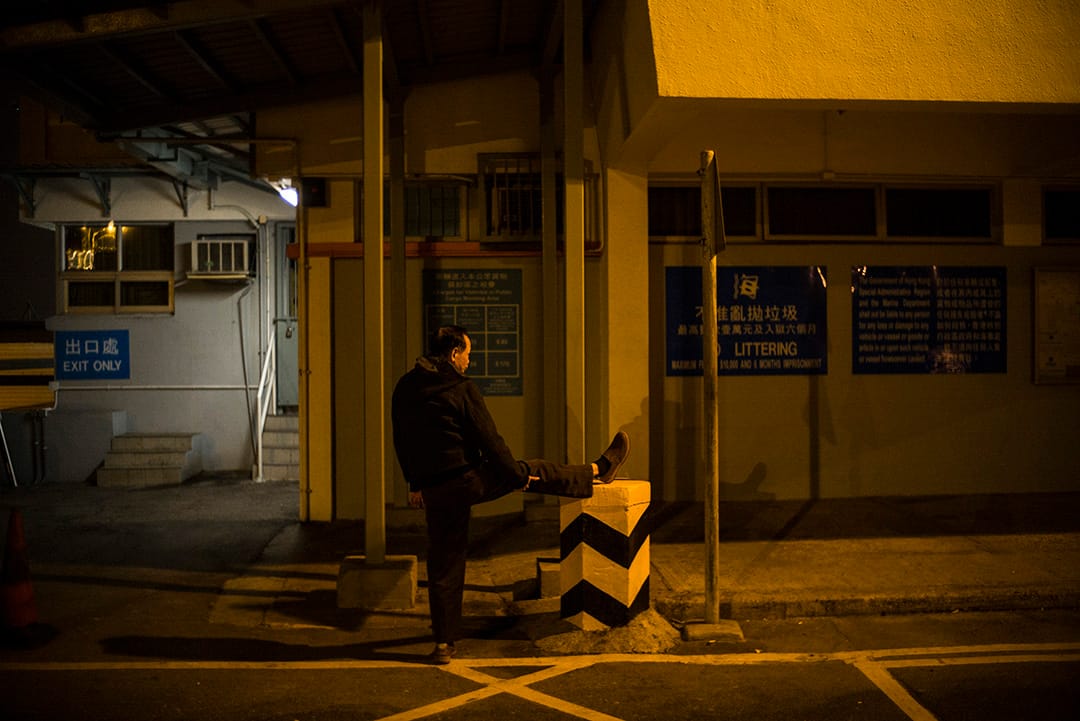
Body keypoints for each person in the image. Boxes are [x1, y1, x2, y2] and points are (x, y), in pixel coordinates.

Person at [391, 325, 629, 664]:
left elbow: (402, 440)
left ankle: (443, 644)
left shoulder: (405, 386)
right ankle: (598, 469)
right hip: (467, 480)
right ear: (454, 353)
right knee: (534, 469)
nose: (470, 361)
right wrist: (516, 476)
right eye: (468, 354)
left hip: (434, 489)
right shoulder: (460, 388)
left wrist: (414, 484)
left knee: (444, 562)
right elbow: (490, 439)